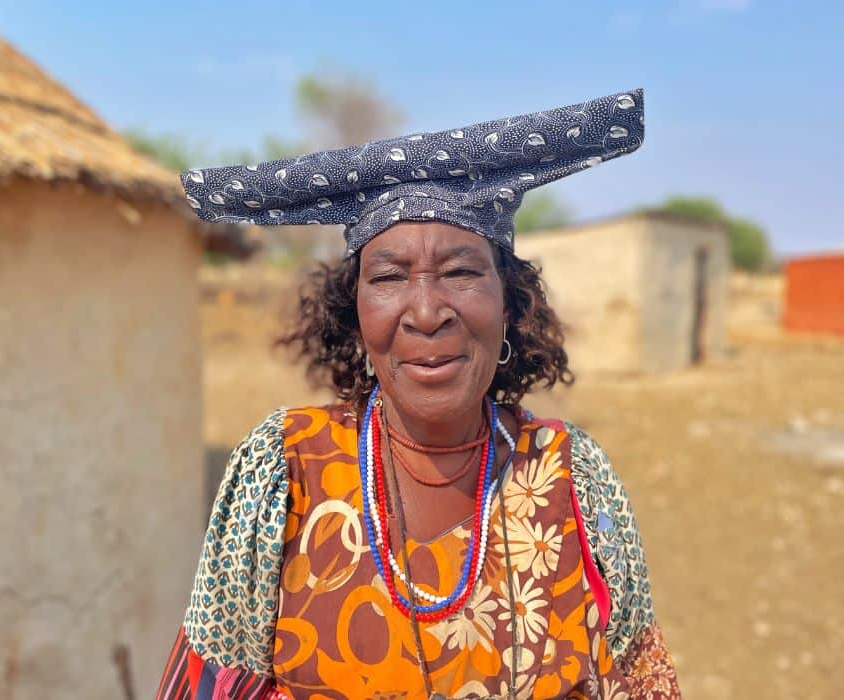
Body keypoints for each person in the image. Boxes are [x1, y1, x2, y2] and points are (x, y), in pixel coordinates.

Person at [157, 88, 680, 699]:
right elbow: (211, 686)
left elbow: (640, 683)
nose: (427, 312)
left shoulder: (574, 479)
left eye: (461, 272)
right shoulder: (282, 470)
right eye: (388, 277)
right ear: (354, 314)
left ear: (510, 304)